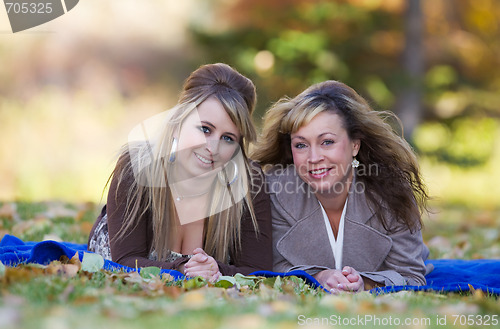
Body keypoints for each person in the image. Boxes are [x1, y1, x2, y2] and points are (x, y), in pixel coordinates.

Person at [88, 63, 272, 282]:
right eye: (205, 129)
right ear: (177, 124)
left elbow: (258, 271)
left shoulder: (249, 183)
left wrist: (216, 270)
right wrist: (183, 268)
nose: (212, 148)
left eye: (228, 138)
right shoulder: (136, 166)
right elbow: (126, 261)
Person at [251, 80, 432, 293]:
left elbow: (410, 275)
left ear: (355, 145)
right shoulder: (274, 192)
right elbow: (271, 266)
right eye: (301, 145)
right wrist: (319, 276)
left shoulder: (392, 191)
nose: (314, 158)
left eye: (327, 142)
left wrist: (365, 282)